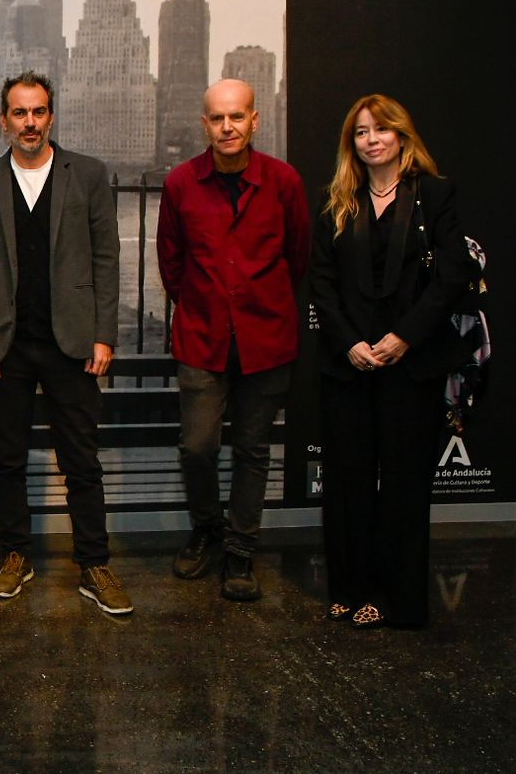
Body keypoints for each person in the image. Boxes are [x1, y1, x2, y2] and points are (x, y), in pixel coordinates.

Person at [0, 71, 132, 615]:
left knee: (80, 458)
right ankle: (16, 554)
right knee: (7, 458)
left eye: (38, 112)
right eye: (19, 113)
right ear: (4, 120)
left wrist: (105, 333)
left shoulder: (87, 174)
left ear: (50, 117)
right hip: (7, 347)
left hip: (73, 343)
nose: (29, 122)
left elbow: (107, 260)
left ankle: (94, 563)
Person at [309, 94, 471, 628]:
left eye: (381, 129)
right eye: (360, 132)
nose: (371, 139)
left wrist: (403, 337)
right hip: (348, 363)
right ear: (350, 143)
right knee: (348, 481)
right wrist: (349, 341)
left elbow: (451, 277)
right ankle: (349, 589)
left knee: (402, 485)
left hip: (410, 362)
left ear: (402, 135)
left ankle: (395, 597)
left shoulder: (435, 195)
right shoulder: (339, 200)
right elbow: (322, 283)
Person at [158, 78, 309, 601]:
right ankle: (206, 528)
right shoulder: (180, 183)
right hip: (202, 339)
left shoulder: (284, 182)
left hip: (266, 340)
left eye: (237, 117)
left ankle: (241, 552)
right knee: (197, 447)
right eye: (218, 118)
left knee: (252, 450)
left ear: (254, 121)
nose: (228, 127)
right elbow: (171, 264)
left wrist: (257, 306)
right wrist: (207, 306)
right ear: (205, 124)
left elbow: (299, 256)